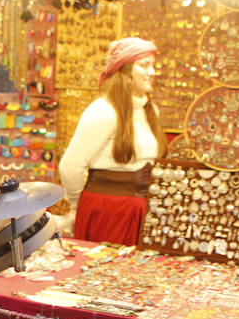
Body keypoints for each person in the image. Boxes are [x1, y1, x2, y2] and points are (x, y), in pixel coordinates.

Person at [57, 36, 167, 245]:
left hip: (141, 210)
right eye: (144, 66)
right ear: (125, 71)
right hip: (108, 212)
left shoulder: (150, 111)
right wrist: (81, 205)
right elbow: (70, 166)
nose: (152, 73)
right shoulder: (103, 111)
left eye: (153, 66)